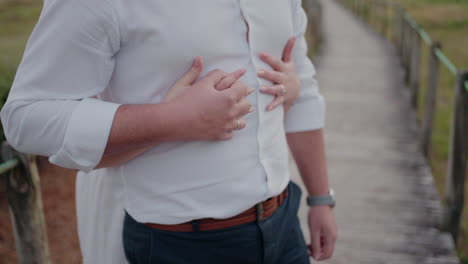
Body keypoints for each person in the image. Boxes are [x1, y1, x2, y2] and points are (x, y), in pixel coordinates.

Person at [0, 0, 337, 263]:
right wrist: (171, 119)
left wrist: (321, 198)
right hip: (179, 241)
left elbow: (302, 84)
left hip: (284, 223)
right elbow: (25, 117)